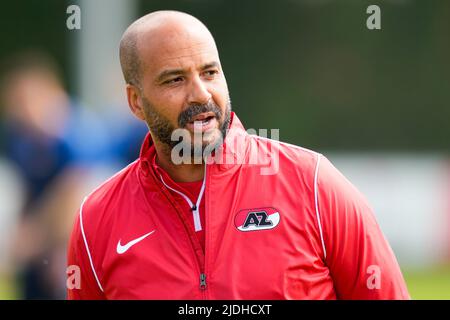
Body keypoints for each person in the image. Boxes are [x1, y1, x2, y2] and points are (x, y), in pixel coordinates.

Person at [67, 10, 410, 299]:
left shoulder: (314, 185)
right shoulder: (96, 220)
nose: (201, 94)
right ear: (135, 101)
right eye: (175, 80)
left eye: (209, 73)